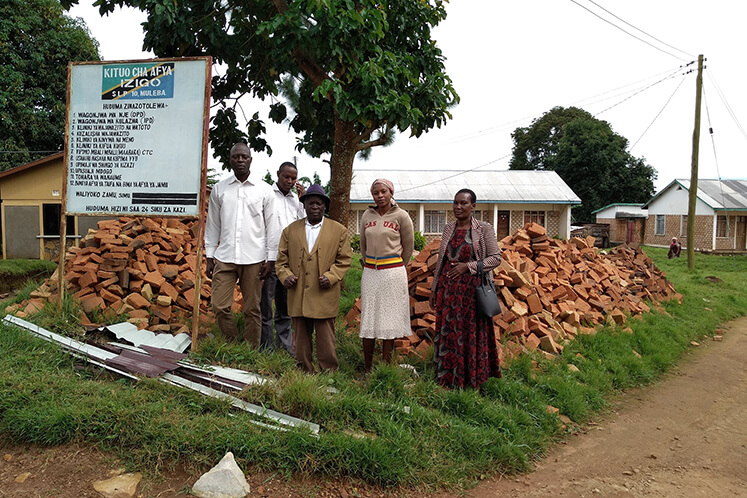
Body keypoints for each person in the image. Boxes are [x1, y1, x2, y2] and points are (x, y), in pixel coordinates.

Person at [204, 143, 280, 347]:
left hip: (254, 258)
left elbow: (272, 226)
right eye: (235, 157)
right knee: (219, 305)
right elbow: (212, 224)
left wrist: (271, 259)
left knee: (252, 308)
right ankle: (231, 342)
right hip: (225, 257)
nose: (240, 160)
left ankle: (250, 349)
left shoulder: (264, 190)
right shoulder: (220, 189)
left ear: (250, 160)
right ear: (230, 160)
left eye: (244, 157)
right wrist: (209, 256)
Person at [428, 189, 502, 389]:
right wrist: (434, 290)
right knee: (448, 332)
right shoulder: (448, 228)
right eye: (455, 203)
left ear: (473, 206)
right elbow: (441, 262)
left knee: (470, 334)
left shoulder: (483, 228)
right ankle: (447, 378)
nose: (458, 207)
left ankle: (471, 380)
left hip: (472, 293)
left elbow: (496, 259)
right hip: (448, 292)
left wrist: (467, 267)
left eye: (463, 203)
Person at [275, 184, 352, 373]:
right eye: (311, 203)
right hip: (298, 291)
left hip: (324, 291)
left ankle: (329, 371)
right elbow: (281, 260)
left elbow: (344, 259)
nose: (315, 207)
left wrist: (331, 276)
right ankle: (304, 369)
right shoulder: (290, 231)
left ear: (325, 206)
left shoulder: (339, 231)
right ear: (304, 205)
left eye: (319, 203)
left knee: (325, 335)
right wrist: (286, 277)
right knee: (301, 334)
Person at [359, 178, 414, 372]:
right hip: (371, 273)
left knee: (389, 318)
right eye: (376, 193)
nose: (380, 195)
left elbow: (408, 247)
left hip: (393, 273)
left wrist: (397, 266)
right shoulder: (367, 214)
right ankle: (367, 368)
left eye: (383, 191)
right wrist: (369, 264)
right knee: (369, 317)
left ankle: (385, 366)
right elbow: (362, 245)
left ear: (391, 192)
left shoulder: (402, 216)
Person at [260, 161, 306, 353]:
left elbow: (304, 223)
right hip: (268, 259)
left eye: (293, 178)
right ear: (278, 174)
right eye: (285, 176)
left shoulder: (296, 200)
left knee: (285, 305)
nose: (289, 180)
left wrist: (303, 200)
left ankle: (285, 347)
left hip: (289, 261)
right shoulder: (266, 195)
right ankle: (266, 347)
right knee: (265, 305)